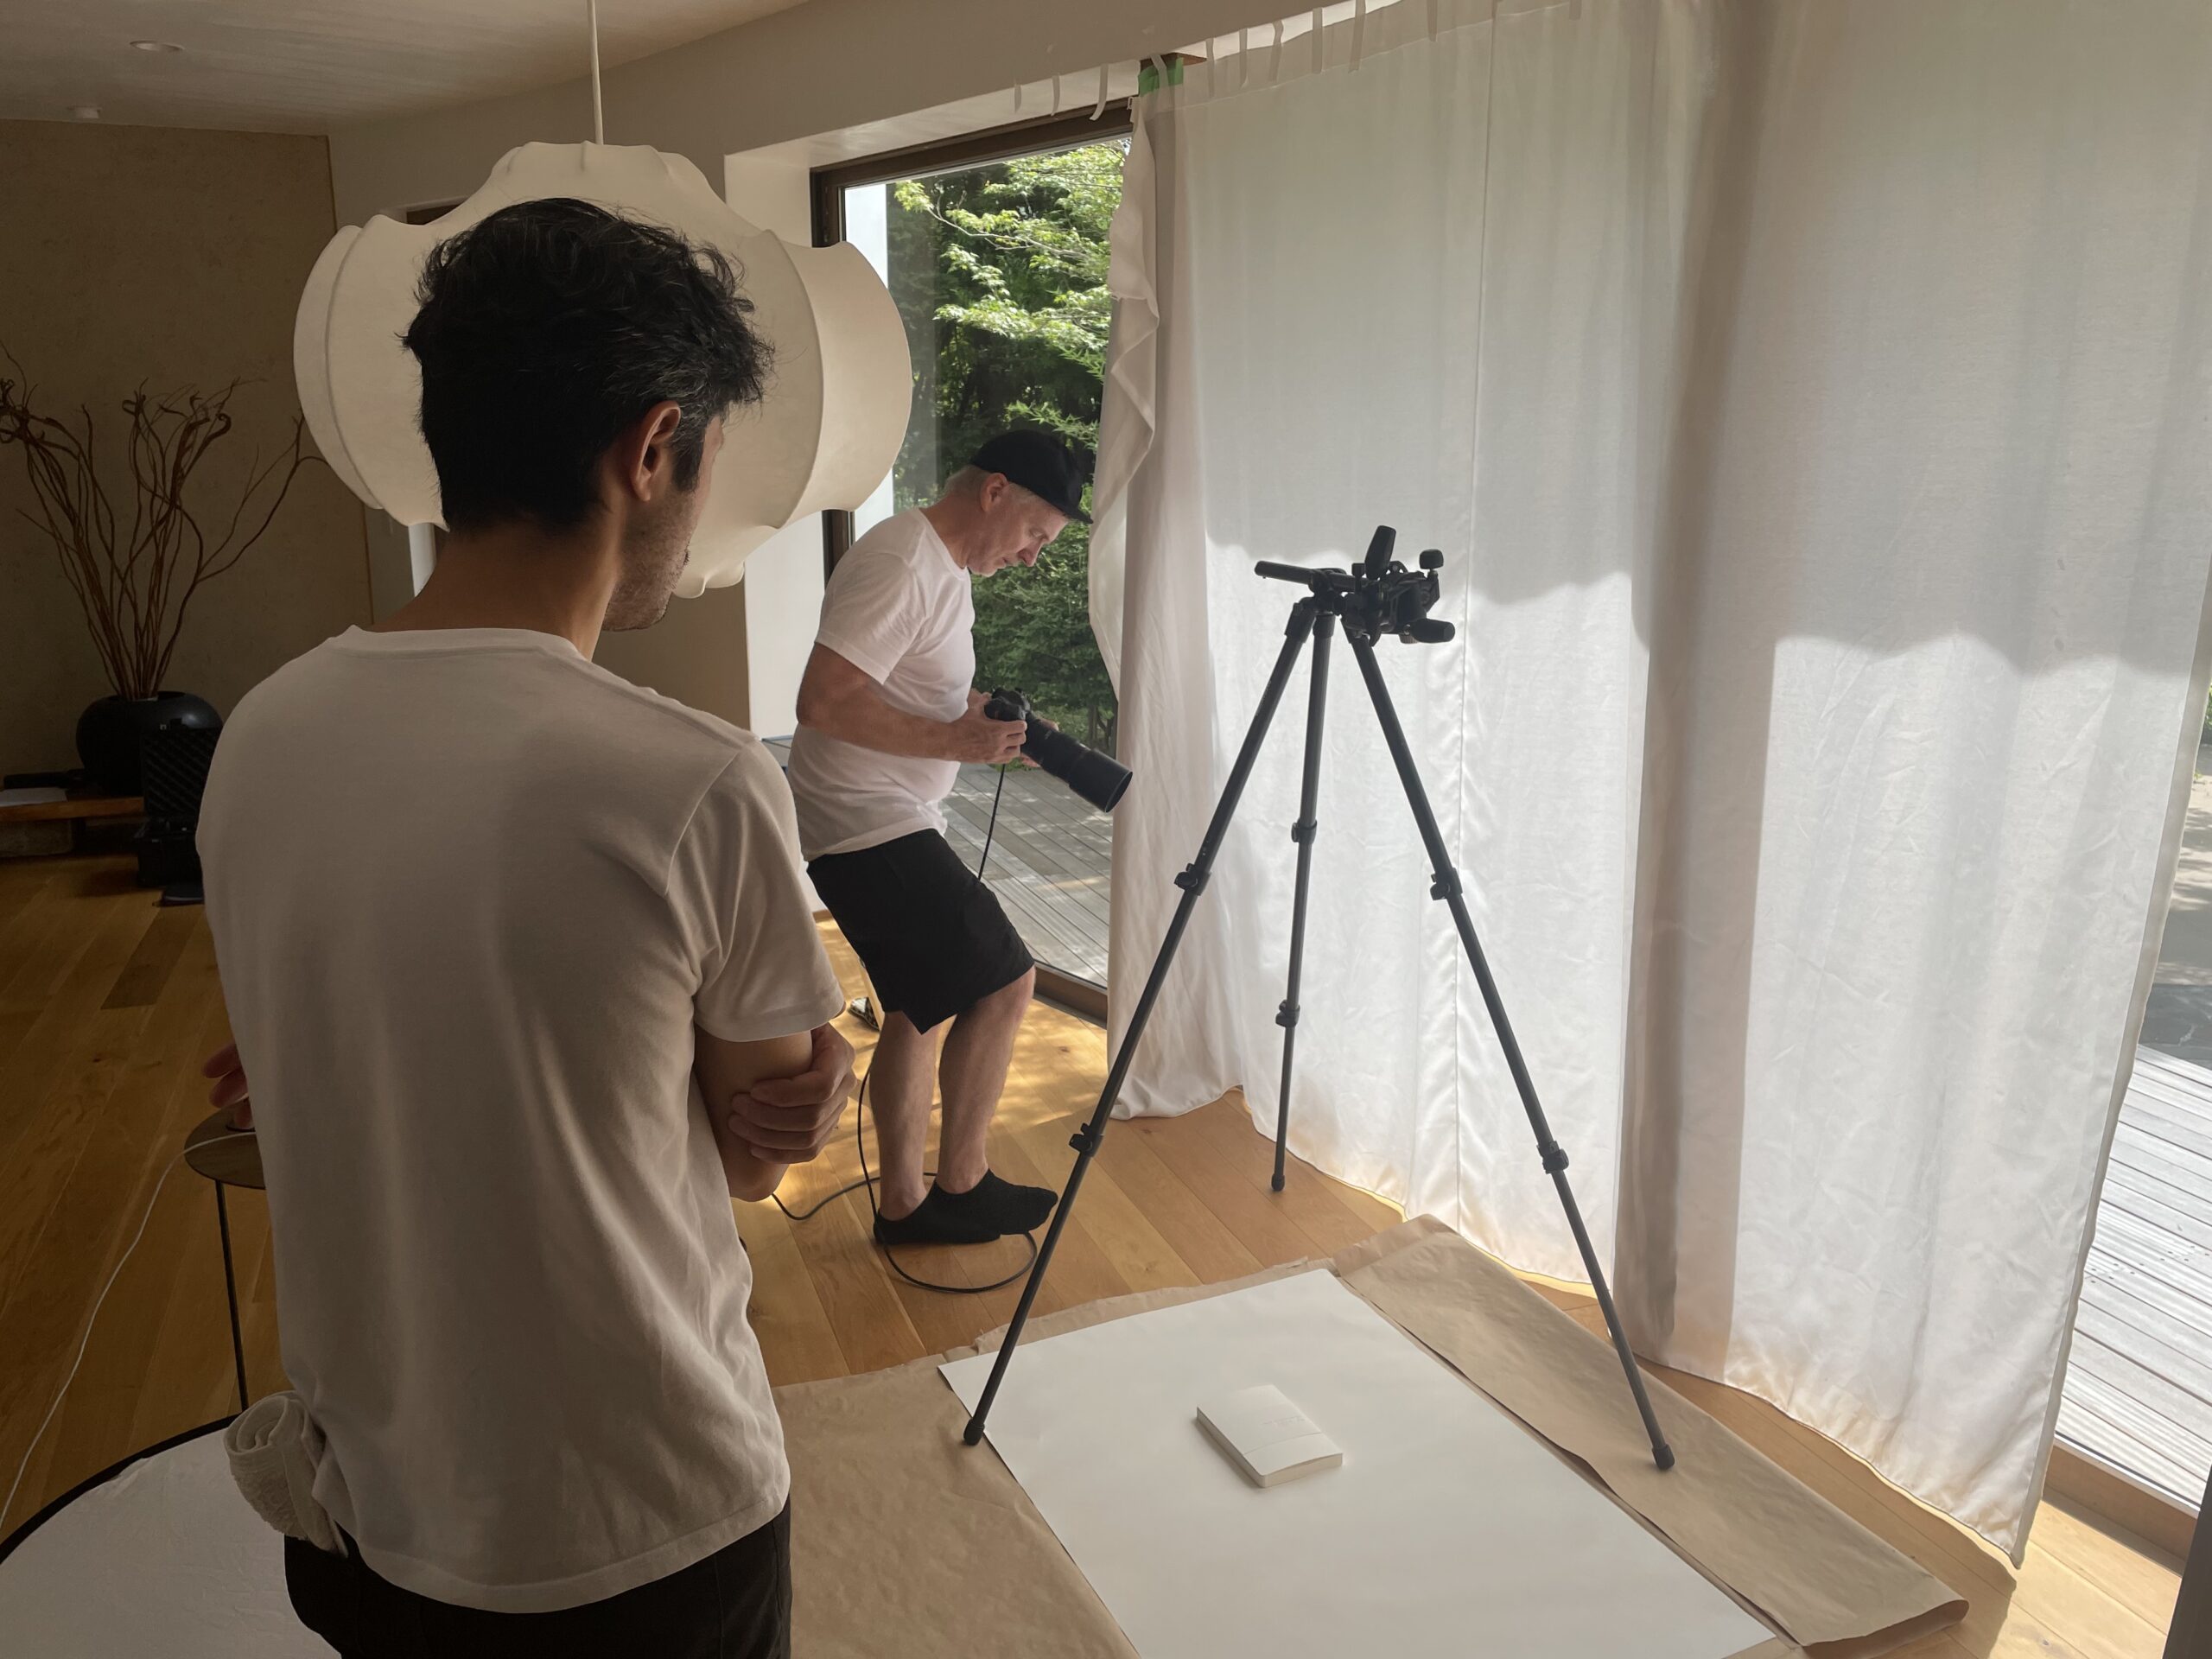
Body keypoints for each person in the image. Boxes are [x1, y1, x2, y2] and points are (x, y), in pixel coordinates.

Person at [195, 198, 855, 1658]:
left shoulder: (264, 732)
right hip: (637, 1523)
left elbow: (330, 1043)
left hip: (371, 1497)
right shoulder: (694, 782)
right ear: (650, 448)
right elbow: (758, 1159)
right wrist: (805, 1096)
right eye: (706, 475)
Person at [787, 431, 1087, 1249]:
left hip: (876, 816)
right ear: (995, 492)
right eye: (1037, 535)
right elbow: (823, 702)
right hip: (861, 820)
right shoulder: (902, 562)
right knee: (1008, 982)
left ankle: (906, 1206)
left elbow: (908, 686)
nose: (1032, 558)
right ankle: (959, 1186)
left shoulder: (942, 570)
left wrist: (986, 716)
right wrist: (959, 745)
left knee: (921, 1009)